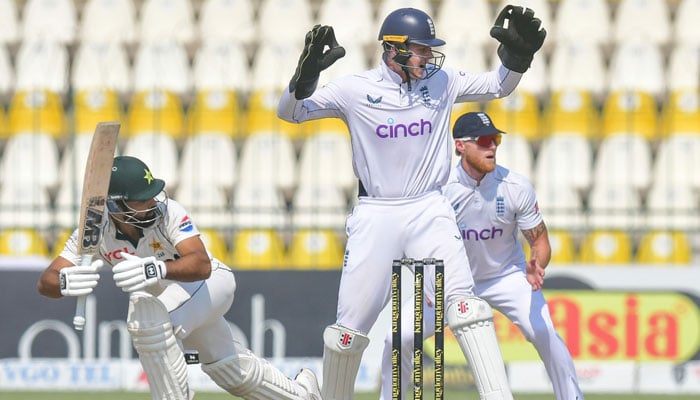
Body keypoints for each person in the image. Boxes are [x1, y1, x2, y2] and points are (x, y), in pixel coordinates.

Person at [278, 6, 545, 400]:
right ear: (394, 48)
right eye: (421, 48)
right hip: (376, 215)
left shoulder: (443, 81)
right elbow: (291, 112)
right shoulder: (355, 89)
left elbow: (499, 85)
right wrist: (306, 76)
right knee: (347, 335)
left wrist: (518, 59)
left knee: (466, 308)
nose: (429, 56)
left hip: (429, 208)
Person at [37, 156, 321, 400]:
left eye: (151, 194)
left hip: (208, 285)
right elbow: (46, 280)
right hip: (174, 303)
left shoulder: (168, 213)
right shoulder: (94, 231)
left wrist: (156, 269)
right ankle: (302, 394)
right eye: (140, 200)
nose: (151, 202)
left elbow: (201, 264)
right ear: (115, 206)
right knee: (231, 371)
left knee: (147, 321)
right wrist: (64, 282)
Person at [379, 111, 585, 400]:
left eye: (496, 139)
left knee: (546, 333)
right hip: (450, 282)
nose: (493, 147)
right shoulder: (438, 189)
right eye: (485, 140)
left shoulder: (515, 187)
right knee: (396, 339)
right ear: (461, 146)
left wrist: (538, 262)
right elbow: (411, 240)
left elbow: (540, 241)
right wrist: (427, 281)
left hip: (506, 275)